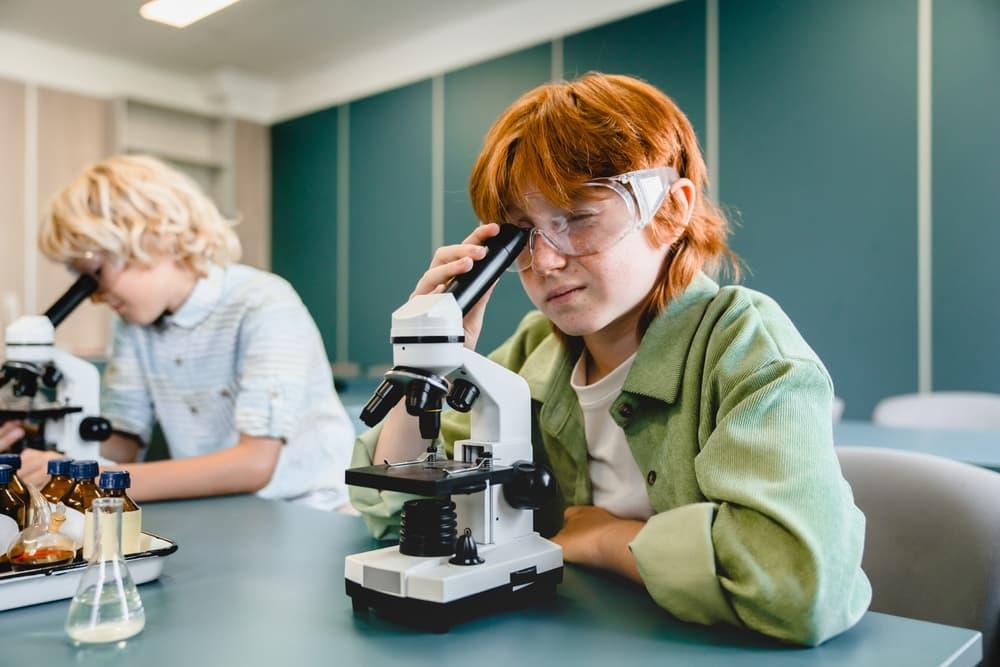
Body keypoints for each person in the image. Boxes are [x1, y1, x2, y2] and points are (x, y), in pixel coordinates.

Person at [349, 73, 871, 643]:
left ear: (670, 212)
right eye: (523, 236)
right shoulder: (532, 350)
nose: (545, 261)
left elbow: (797, 585)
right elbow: (396, 518)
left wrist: (602, 538)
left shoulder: (746, 346)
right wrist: (435, 354)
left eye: (576, 218)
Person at [0, 155, 353, 511]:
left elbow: (255, 465)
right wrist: (41, 456)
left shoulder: (262, 302)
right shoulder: (134, 325)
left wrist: (83, 475)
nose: (93, 297)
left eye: (96, 273)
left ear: (155, 238)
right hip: (223, 511)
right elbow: (123, 445)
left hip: (311, 511)